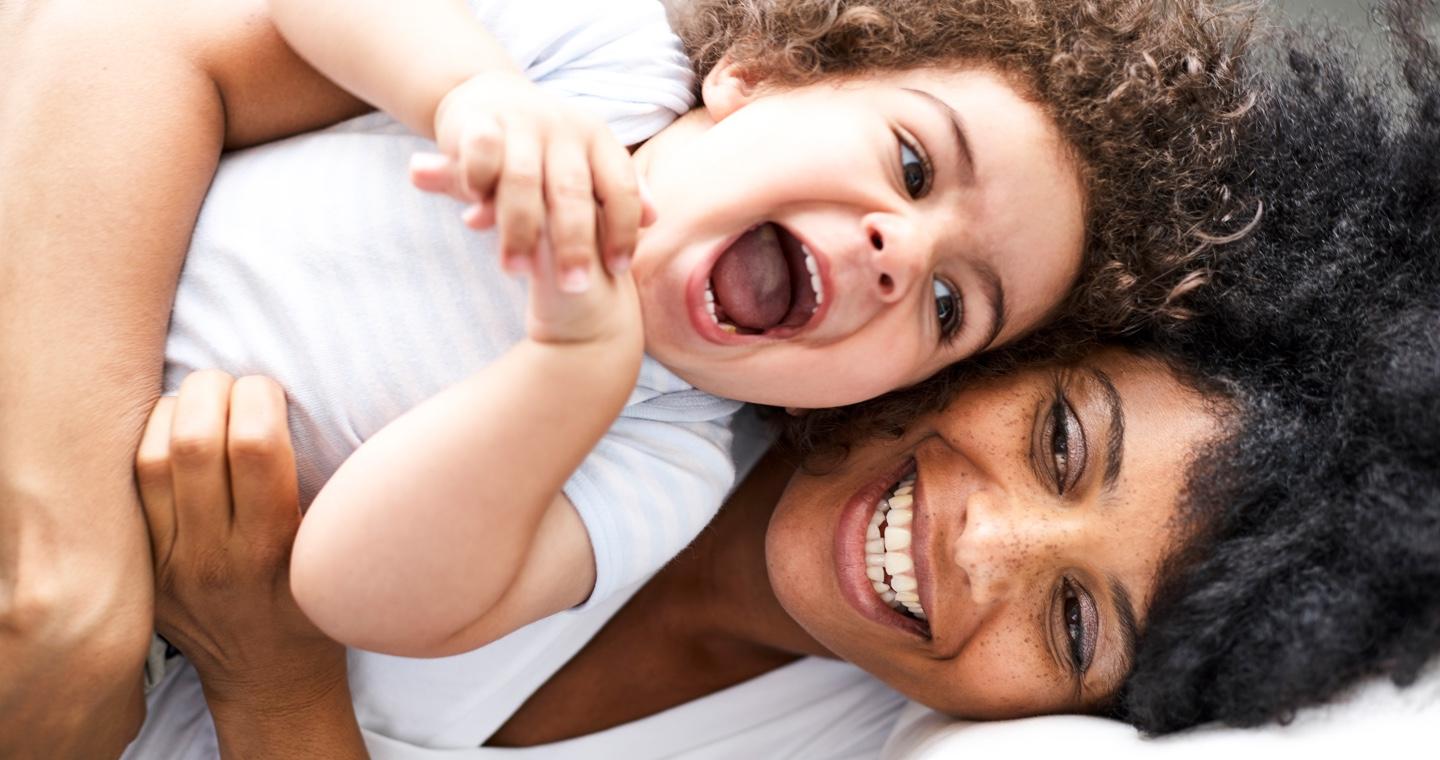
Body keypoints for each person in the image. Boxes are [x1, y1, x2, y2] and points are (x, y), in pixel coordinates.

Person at [122, 2, 1440, 755]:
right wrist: (465, 94)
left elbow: (353, 589)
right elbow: (140, 49)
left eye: (1078, 626)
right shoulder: (602, 73)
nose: (984, 549)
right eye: (1058, 441)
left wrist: (275, 684)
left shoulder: (657, 458)